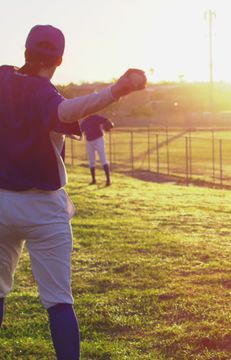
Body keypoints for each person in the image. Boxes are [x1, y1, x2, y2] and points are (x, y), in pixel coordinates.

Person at [0, 25, 146, 359]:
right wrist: (116, 91)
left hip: (1, 203)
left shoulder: (2, 78)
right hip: (43, 210)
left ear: (25, 51)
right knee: (58, 302)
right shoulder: (44, 93)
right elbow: (65, 112)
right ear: (60, 60)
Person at [81, 114, 114, 185]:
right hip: (89, 141)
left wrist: (110, 124)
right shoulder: (85, 121)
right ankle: (93, 180)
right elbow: (80, 130)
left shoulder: (95, 117)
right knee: (91, 161)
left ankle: (108, 180)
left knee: (103, 159)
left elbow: (106, 120)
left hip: (99, 139)